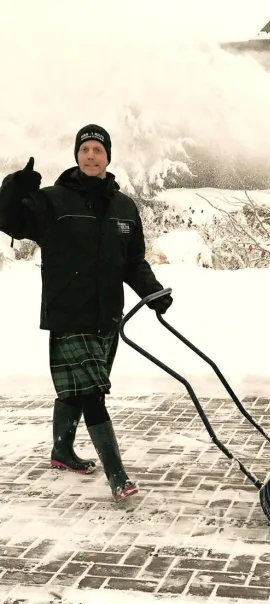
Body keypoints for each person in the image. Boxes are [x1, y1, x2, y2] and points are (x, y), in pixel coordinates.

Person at [0, 124, 173, 502]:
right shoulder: (52, 201)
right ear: (76, 156)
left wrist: (153, 291)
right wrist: (15, 186)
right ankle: (118, 477)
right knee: (93, 392)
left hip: (107, 314)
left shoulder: (124, 207)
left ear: (108, 156)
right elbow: (8, 221)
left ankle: (62, 450)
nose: (91, 156)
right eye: (85, 150)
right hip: (69, 313)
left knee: (78, 391)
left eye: (98, 149)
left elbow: (132, 262)